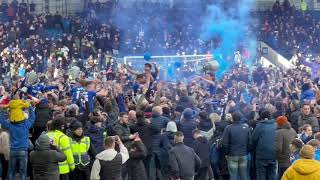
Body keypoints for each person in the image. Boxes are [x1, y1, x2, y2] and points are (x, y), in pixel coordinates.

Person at [0, 104, 34, 180]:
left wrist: (3, 110)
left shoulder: (10, 126)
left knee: (11, 171)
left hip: (12, 151)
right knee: (23, 172)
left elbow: (2, 120)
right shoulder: (26, 125)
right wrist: (29, 106)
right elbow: (32, 117)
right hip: (23, 151)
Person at [221, 112, 251, 180]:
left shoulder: (228, 128)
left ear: (232, 118)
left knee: (233, 176)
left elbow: (225, 143)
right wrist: (246, 151)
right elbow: (250, 142)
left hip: (232, 154)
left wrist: (226, 153)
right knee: (244, 175)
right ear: (241, 118)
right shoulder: (246, 128)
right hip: (243, 154)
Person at [252, 110, 277, 180]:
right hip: (273, 153)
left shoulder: (259, 126)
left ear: (262, 117)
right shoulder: (275, 125)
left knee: (261, 174)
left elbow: (254, 139)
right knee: (272, 173)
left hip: (262, 154)